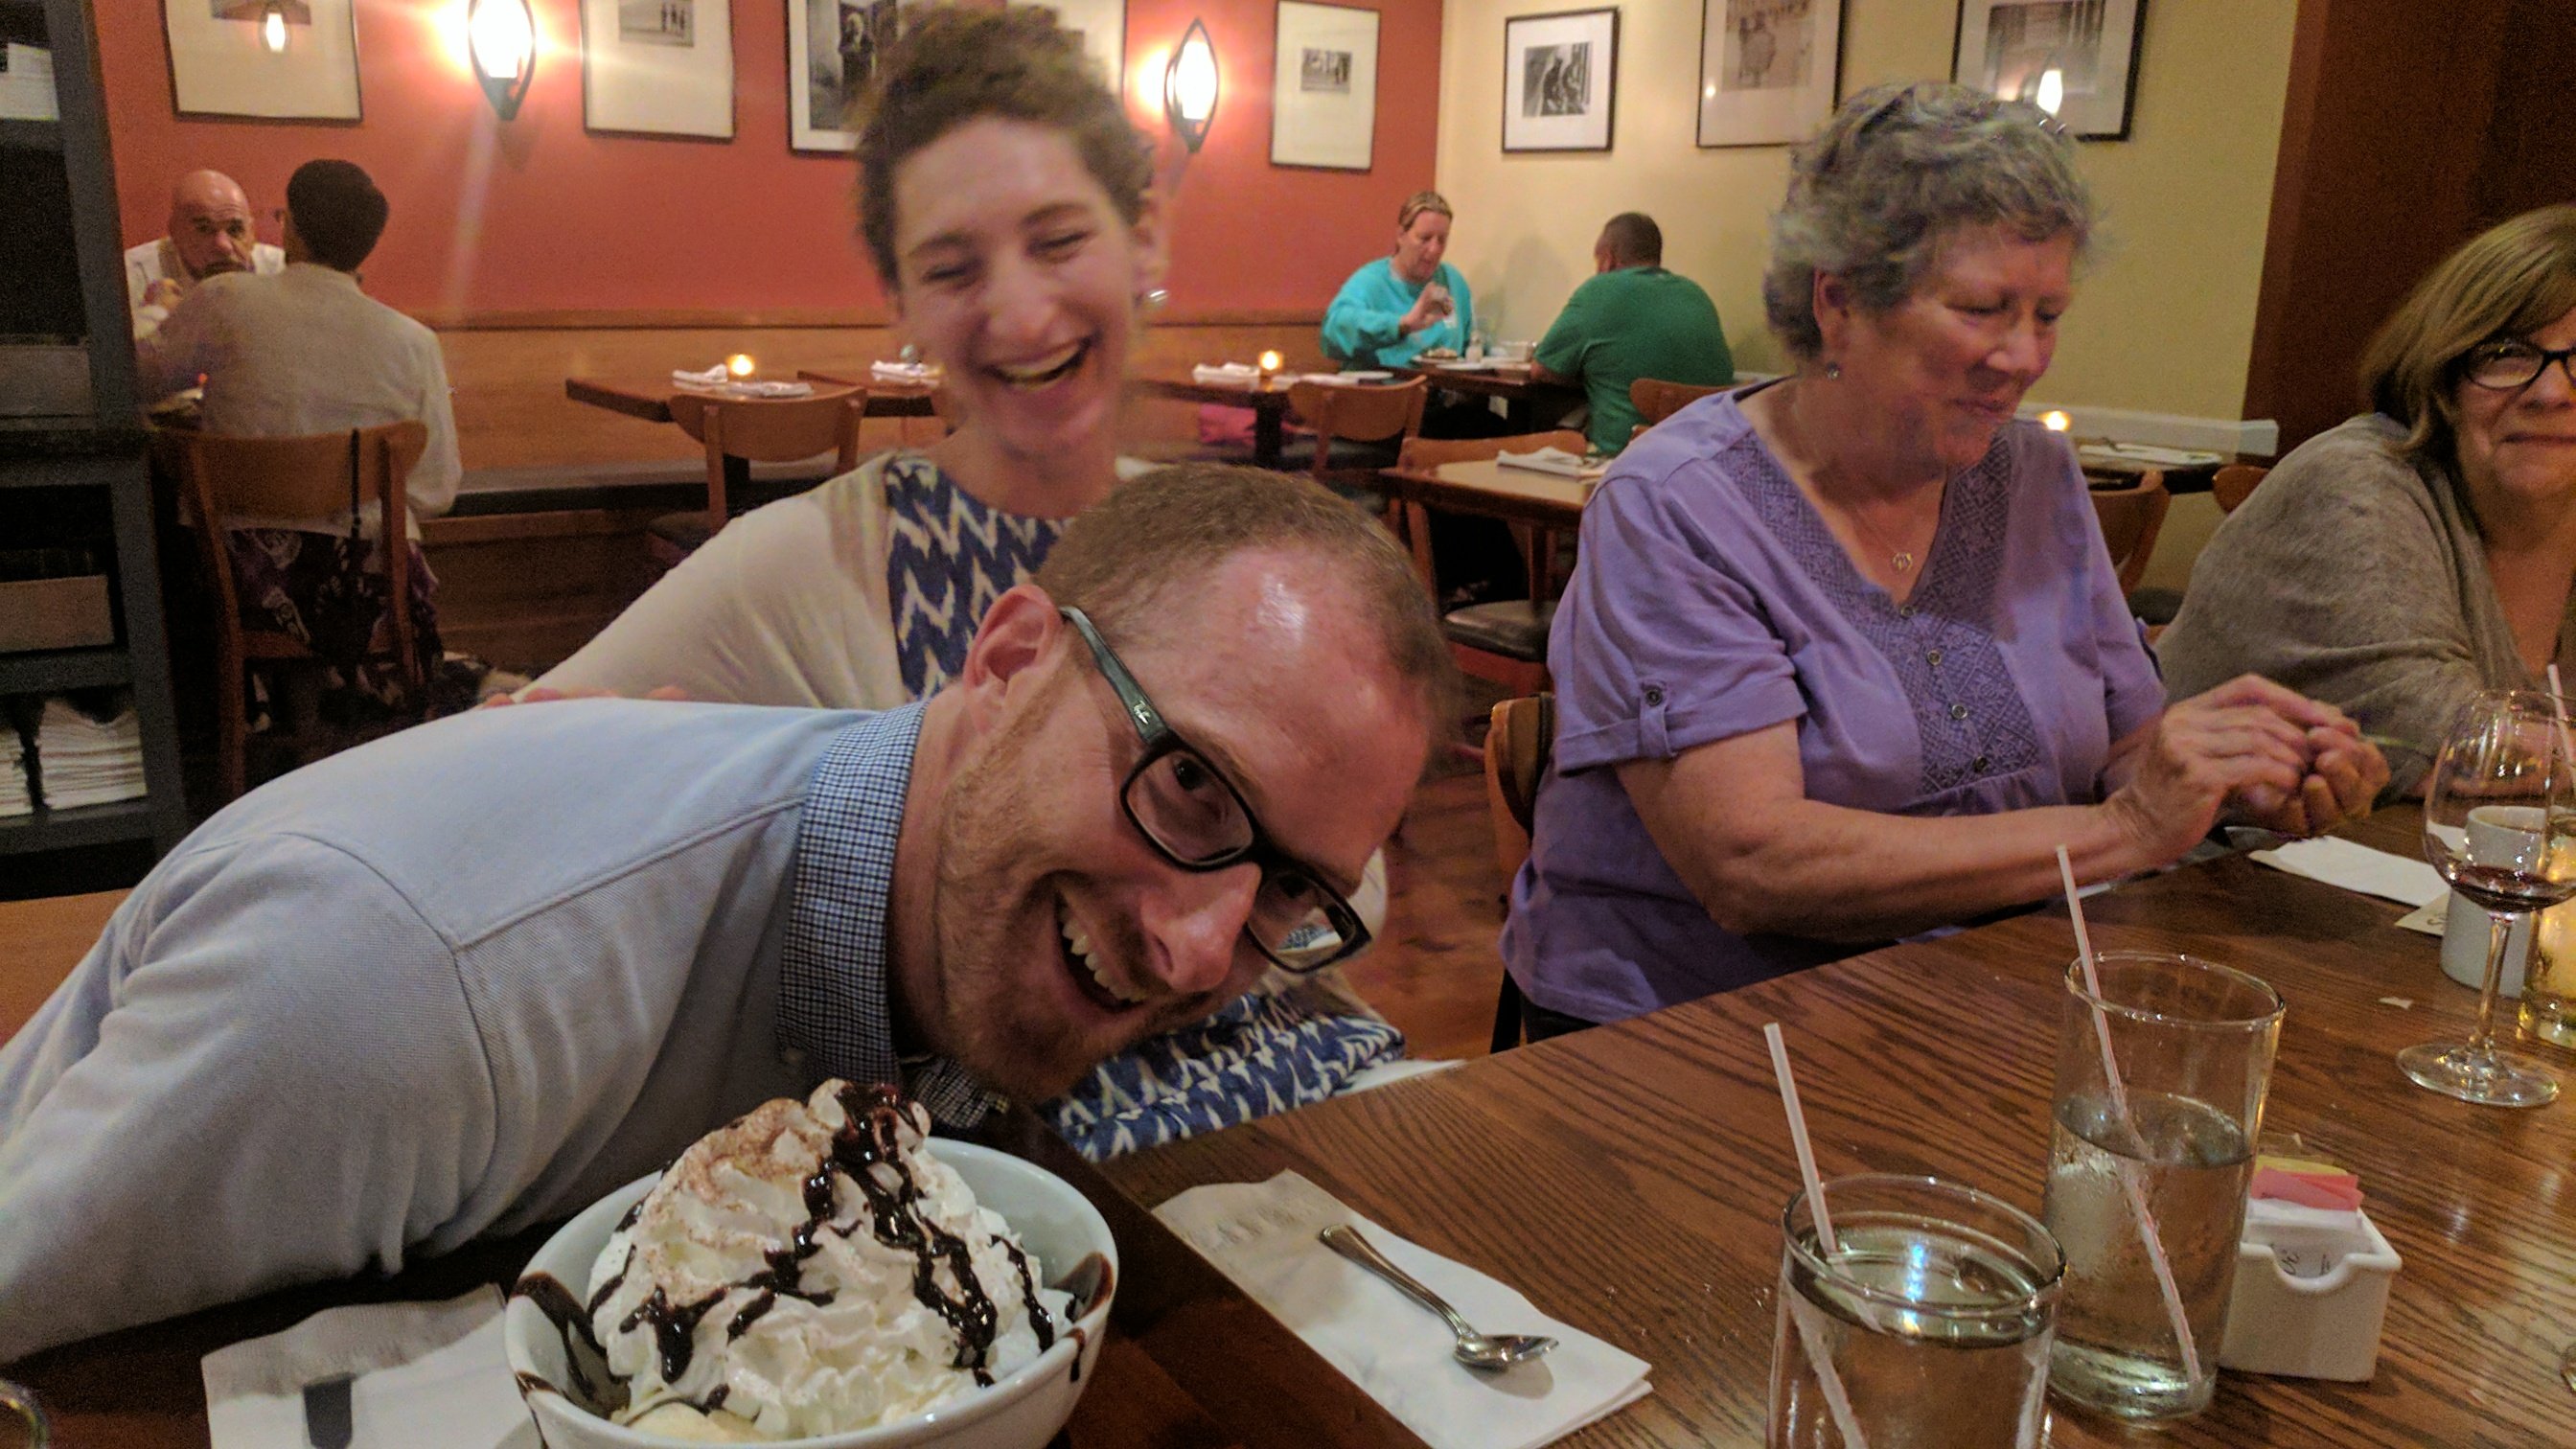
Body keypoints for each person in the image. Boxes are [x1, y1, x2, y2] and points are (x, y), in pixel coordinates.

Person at [0, 464, 1453, 1363]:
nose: (1198, 951)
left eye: (1292, 888)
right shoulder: (398, 1000)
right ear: (1009, 658)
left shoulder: (994, 882)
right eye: (1190, 783)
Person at [530, 8, 1404, 1158]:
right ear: (903, 305)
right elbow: (522, 754)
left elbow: (1358, 890)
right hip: (966, 1177)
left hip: (1281, 1127)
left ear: (1142, 239)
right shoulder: (809, 558)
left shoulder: (1221, 555)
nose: (1021, 312)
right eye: (952, 268)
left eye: (1058, 241)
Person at [1500, 83, 2387, 1036]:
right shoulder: (1677, 505)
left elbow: (2125, 750)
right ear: (1838, 302)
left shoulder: (2034, 475)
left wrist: (2230, 779)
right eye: (1982, 308)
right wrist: (2125, 833)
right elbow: (1752, 864)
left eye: (2048, 314)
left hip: (1985, 997)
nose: (2025, 357)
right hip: (1685, 1038)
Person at [2158, 205, 2576, 796]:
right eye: (2506, 353)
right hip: (2207, 851)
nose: (2551, 392)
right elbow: (2451, 741)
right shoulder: (2357, 482)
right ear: (2443, 376)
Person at [1530, 212, 1734, 455]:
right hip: (1700, 461)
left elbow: (1541, 370)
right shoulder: (1697, 295)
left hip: (1621, 459)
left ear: (1608, 258)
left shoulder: (1598, 291)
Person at [124, 169, 286, 339]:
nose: (223, 246)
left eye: (235, 230)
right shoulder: (130, 277)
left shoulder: (281, 270)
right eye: (204, 229)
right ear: (174, 232)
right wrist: (156, 315)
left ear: (252, 233)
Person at [1322, 191, 1472, 372]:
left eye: (1442, 240)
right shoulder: (1371, 281)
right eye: (1425, 238)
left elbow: (1470, 346)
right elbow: (1333, 331)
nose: (1434, 249)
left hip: (1444, 386)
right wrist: (1401, 325)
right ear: (1401, 235)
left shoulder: (1453, 282)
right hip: (1384, 386)